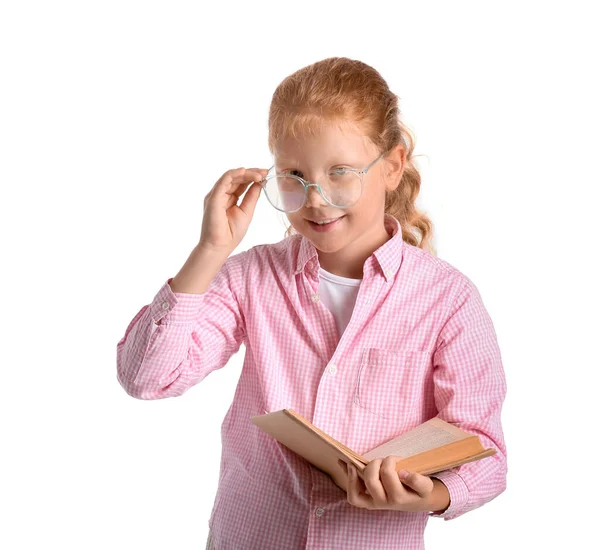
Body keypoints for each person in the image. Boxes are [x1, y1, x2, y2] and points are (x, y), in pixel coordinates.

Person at [117, 56, 508, 550]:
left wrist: (430, 496)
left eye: (340, 172)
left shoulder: (448, 299)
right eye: (295, 175)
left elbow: (487, 452)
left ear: (392, 166)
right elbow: (146, 377)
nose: (317, 198)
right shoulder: (251, 277)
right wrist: (211, 250)